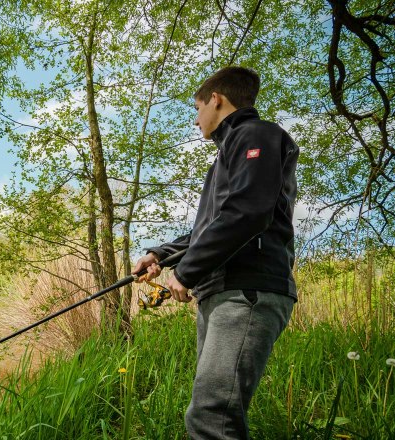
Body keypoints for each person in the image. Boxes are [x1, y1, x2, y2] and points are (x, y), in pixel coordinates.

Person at [132, 66, 299, 439]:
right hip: (225, 293)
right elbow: (212, 226)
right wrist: (160, 255)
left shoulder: (257, 134)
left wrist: (185, 273)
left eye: (197, 108)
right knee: (212, 413)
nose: (196, 121)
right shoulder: (230, 152)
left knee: (211, 416)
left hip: (247, 290)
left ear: (216, 100)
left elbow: (248, 212)